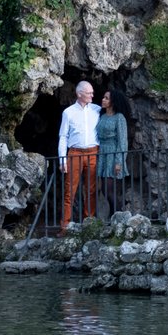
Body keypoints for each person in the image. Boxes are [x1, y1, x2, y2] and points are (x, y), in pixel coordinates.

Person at [57, 81, 101, 227]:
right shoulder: (68, 112)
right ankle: (65, 225)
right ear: (79, 94)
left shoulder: (97, 110)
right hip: (75, 153)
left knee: (91, 190)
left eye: (92, 92)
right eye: (89, 93)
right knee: (70, 190)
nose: (92, 95)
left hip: (93, 152)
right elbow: (63, 136)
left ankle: (89, 223)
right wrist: (62, 160)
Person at [95, 88, 132, 218]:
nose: (103, 100)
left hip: (113, 154)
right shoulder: (102, 116)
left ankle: (119, 215)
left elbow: (122, 141)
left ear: (113, 101)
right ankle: (114, 216)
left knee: (109, 190)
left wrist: (119, 161)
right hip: (102, 154)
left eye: (106, 98)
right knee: (104, 190)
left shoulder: (119, 118)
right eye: (103, 97)